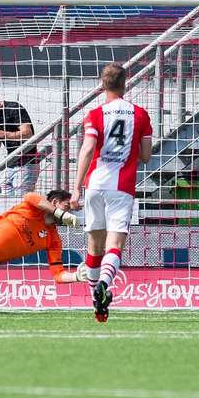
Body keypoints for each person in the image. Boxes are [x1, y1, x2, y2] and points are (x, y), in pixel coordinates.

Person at [70, 64, 152, 323]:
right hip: (122, 187)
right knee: (114, 246)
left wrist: (75, 188)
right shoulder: (140, 115)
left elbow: (87, 149)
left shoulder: (94, 114)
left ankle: (97, 302)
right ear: (125, 83)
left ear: (102, 84)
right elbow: (147, 156)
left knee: (94, 248)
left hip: (95, 184)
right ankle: (105, 283)